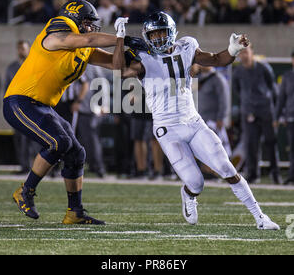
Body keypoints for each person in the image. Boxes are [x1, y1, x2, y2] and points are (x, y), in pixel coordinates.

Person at [112, 12, 279, 230]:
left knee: (226, 168)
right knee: (196, 182)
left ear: (172, 32)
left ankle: (260, 217)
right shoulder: (143, 59)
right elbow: (119, 71)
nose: (159, 39)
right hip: (167, 129)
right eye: (154, 35)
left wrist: (233, 50)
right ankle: (188, 194)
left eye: (163, 33)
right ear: (147, 37)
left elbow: (218, 60)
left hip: (193, 122)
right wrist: (119, 38)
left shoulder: (187, 47)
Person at [4, 0, 142, 225]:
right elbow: (87, 38)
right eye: (87, 22)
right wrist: (122, 38)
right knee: (58, 142)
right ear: (74, 19)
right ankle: (25, 191)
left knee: (76, 153)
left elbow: (118, 66)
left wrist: (142, 55)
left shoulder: (83, 47)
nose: (90, 27)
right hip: (20, 101)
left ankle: (74, 212)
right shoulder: (57, 30)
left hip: (42, 105)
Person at [233, 45, 282, 184]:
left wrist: (275, 113)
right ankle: (253, 174)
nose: (244, 55)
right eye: (241, 53)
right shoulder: (238, 72)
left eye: (246, 52)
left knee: (271, 143)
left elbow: (273, 89)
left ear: (252, 52)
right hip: (248, 112)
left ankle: (275, 174)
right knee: (251, 144)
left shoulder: (263, 68)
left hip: (266, 111)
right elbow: (237, 90)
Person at [5, 40, 35, 174]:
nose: (21, 51)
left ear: (28, 49)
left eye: (23, 48)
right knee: (19, 138)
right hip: (16, 107)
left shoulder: (33, 65)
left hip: (31, 107)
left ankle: (35, 166)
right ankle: (24, 166)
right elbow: (7, 88)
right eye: (19, 49)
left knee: (33, 139)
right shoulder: (12, 67)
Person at [197, 65, 232, 157]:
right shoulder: (198, 78)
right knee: (204, 150)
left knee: (216, 151)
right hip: (201, 120)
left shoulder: (218, 79)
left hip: (213, 121)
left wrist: (220, 119)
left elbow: (224, 100)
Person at [276, 52, 294, 185]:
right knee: (292, 148)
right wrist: (276, 117)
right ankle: (292, 175)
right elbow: (281, 98)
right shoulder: (287, 77)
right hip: (291, 117)